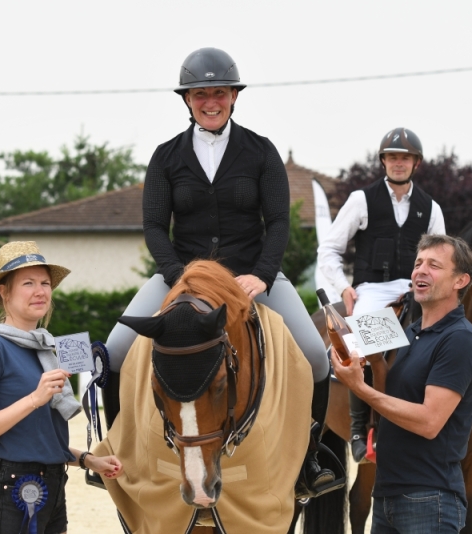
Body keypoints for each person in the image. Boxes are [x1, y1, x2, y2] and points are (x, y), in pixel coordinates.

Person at [98, 47, 336, 497]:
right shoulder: (166, 157)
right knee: (112, 352)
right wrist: (175, 274)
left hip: (251, 276)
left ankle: (311, 459)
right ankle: (114, 449)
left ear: (234, 97)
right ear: (187, 100)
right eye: (201, 93)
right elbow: (153, 225)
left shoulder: (261, 152)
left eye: (220, 93)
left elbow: (279, 222)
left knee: (314, 354)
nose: (211, 101)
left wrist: (264, 274)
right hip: (181, 276)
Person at [0, 241, 123, 534]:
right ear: (4, 292)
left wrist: (87, 460)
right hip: (9, 491)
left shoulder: (45, 348)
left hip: (52, 487)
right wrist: (35, 398)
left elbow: (35, 438)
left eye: (45, 283)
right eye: (28, 283)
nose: (40, 291)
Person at [332, 234, 472, 534]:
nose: (420, 270)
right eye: (418, 263)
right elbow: (396, 398)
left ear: (460, 280)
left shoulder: (461, 338)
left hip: (430, 498)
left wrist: (360, 389)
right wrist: (376, 363)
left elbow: (429, 421)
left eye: (434, 265)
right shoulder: (410, 330)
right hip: (387, 494)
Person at [317, 127, 445, 462]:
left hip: (414, 286)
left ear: (415, 163)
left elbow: (444, 258)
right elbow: (329, 249)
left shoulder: (430, 207)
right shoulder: (361, 199)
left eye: (405, 158)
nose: (398, 163)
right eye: (392, 157)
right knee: (362, 342)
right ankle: (360, 429)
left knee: (454, 334)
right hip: (372, 289)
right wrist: (343, 288)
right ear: (383, 161)